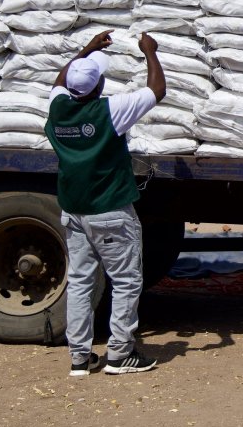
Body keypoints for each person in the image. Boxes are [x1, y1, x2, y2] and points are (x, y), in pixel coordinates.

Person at [44, 29, 167, 376]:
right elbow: (157, 90)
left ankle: (80, 358)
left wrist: (84, 50)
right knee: (126, 281)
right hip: (110, 210)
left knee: (81, 282)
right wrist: (150, 52)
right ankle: (119, 354)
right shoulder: (110, 111)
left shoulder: (58, 110)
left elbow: (59, 82)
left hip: (73, 211)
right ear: (98, 86)